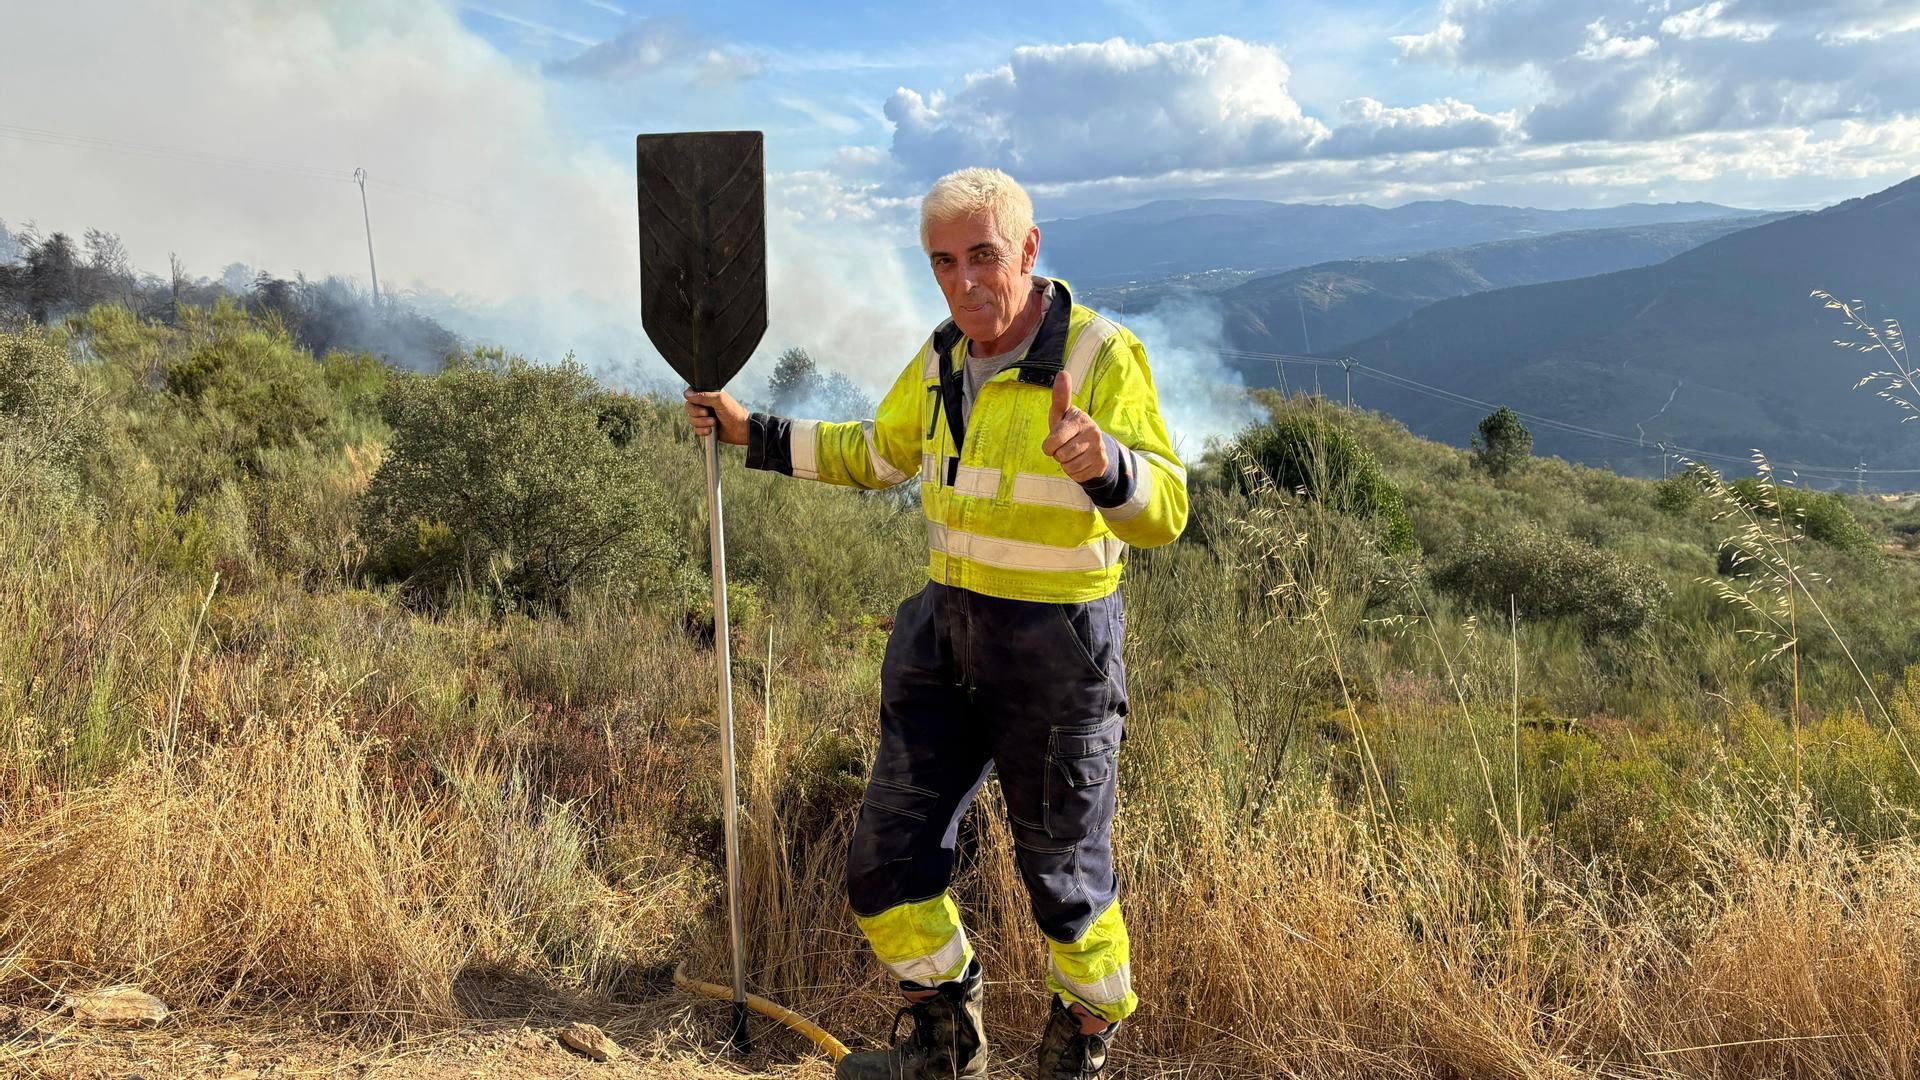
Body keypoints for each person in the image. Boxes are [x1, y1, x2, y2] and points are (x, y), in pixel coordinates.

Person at [684, 167, 1187, 1080]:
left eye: (984, 257)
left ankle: (1082, 1043)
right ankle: (945, 1045)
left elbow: (1165, 511)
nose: (964, 283)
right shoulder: (944, 355)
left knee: (1066, 886)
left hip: (1057, 653)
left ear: (1029, 252)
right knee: (886, 862)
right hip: (943, 639)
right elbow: (878, 454)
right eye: (943, 263)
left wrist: (1103, 462)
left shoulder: (1100, 357)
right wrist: (749, 432)